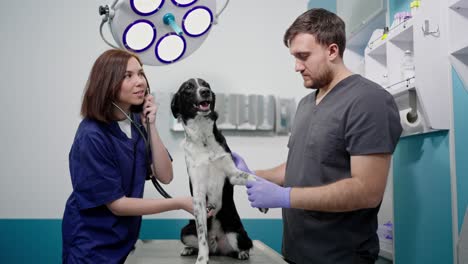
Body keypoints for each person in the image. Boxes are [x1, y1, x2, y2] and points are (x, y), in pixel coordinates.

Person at [232, 8, 402, 264]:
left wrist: (285, 197)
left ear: (332, 51)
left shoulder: (369, 101)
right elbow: (302, 165)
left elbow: (367, 190)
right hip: (295, 251)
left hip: (339, 256)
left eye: (303, 56)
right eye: (294, 57)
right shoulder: (306, 104)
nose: (296, 67)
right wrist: (253, 176)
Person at [62, 49, 194, 264]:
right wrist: (178, 203)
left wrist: (150, 125)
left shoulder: (134, 123)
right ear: (107, 83)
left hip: (123, 242)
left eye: (141, 74)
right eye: (128, 76)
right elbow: (117, 205)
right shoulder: (92, 135)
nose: (140, 82)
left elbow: (165, 175)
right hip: (91, 245)